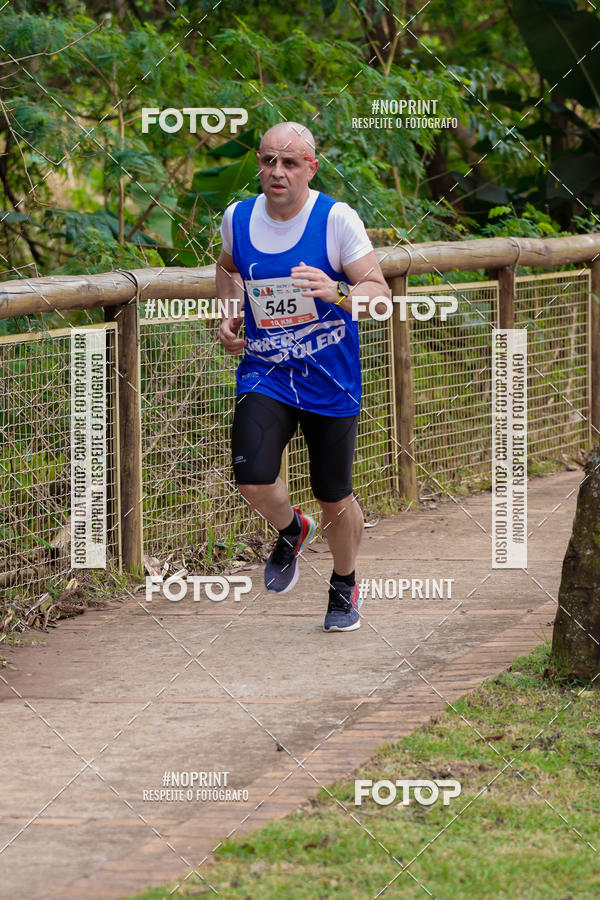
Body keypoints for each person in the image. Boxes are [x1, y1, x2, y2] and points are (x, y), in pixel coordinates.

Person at [216, 121, 389, 632]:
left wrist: (335, 291)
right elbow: (228, 269)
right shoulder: (238, 217)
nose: (277, 171)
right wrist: (228, 314)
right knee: (251, 478)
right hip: (265, 371)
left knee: (334, 494)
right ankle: (292, 528)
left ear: (310, 168)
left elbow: (378, 292)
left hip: (328, 378)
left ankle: (344, 583)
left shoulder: (336, 219)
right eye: (269, 160)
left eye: (290, 163)